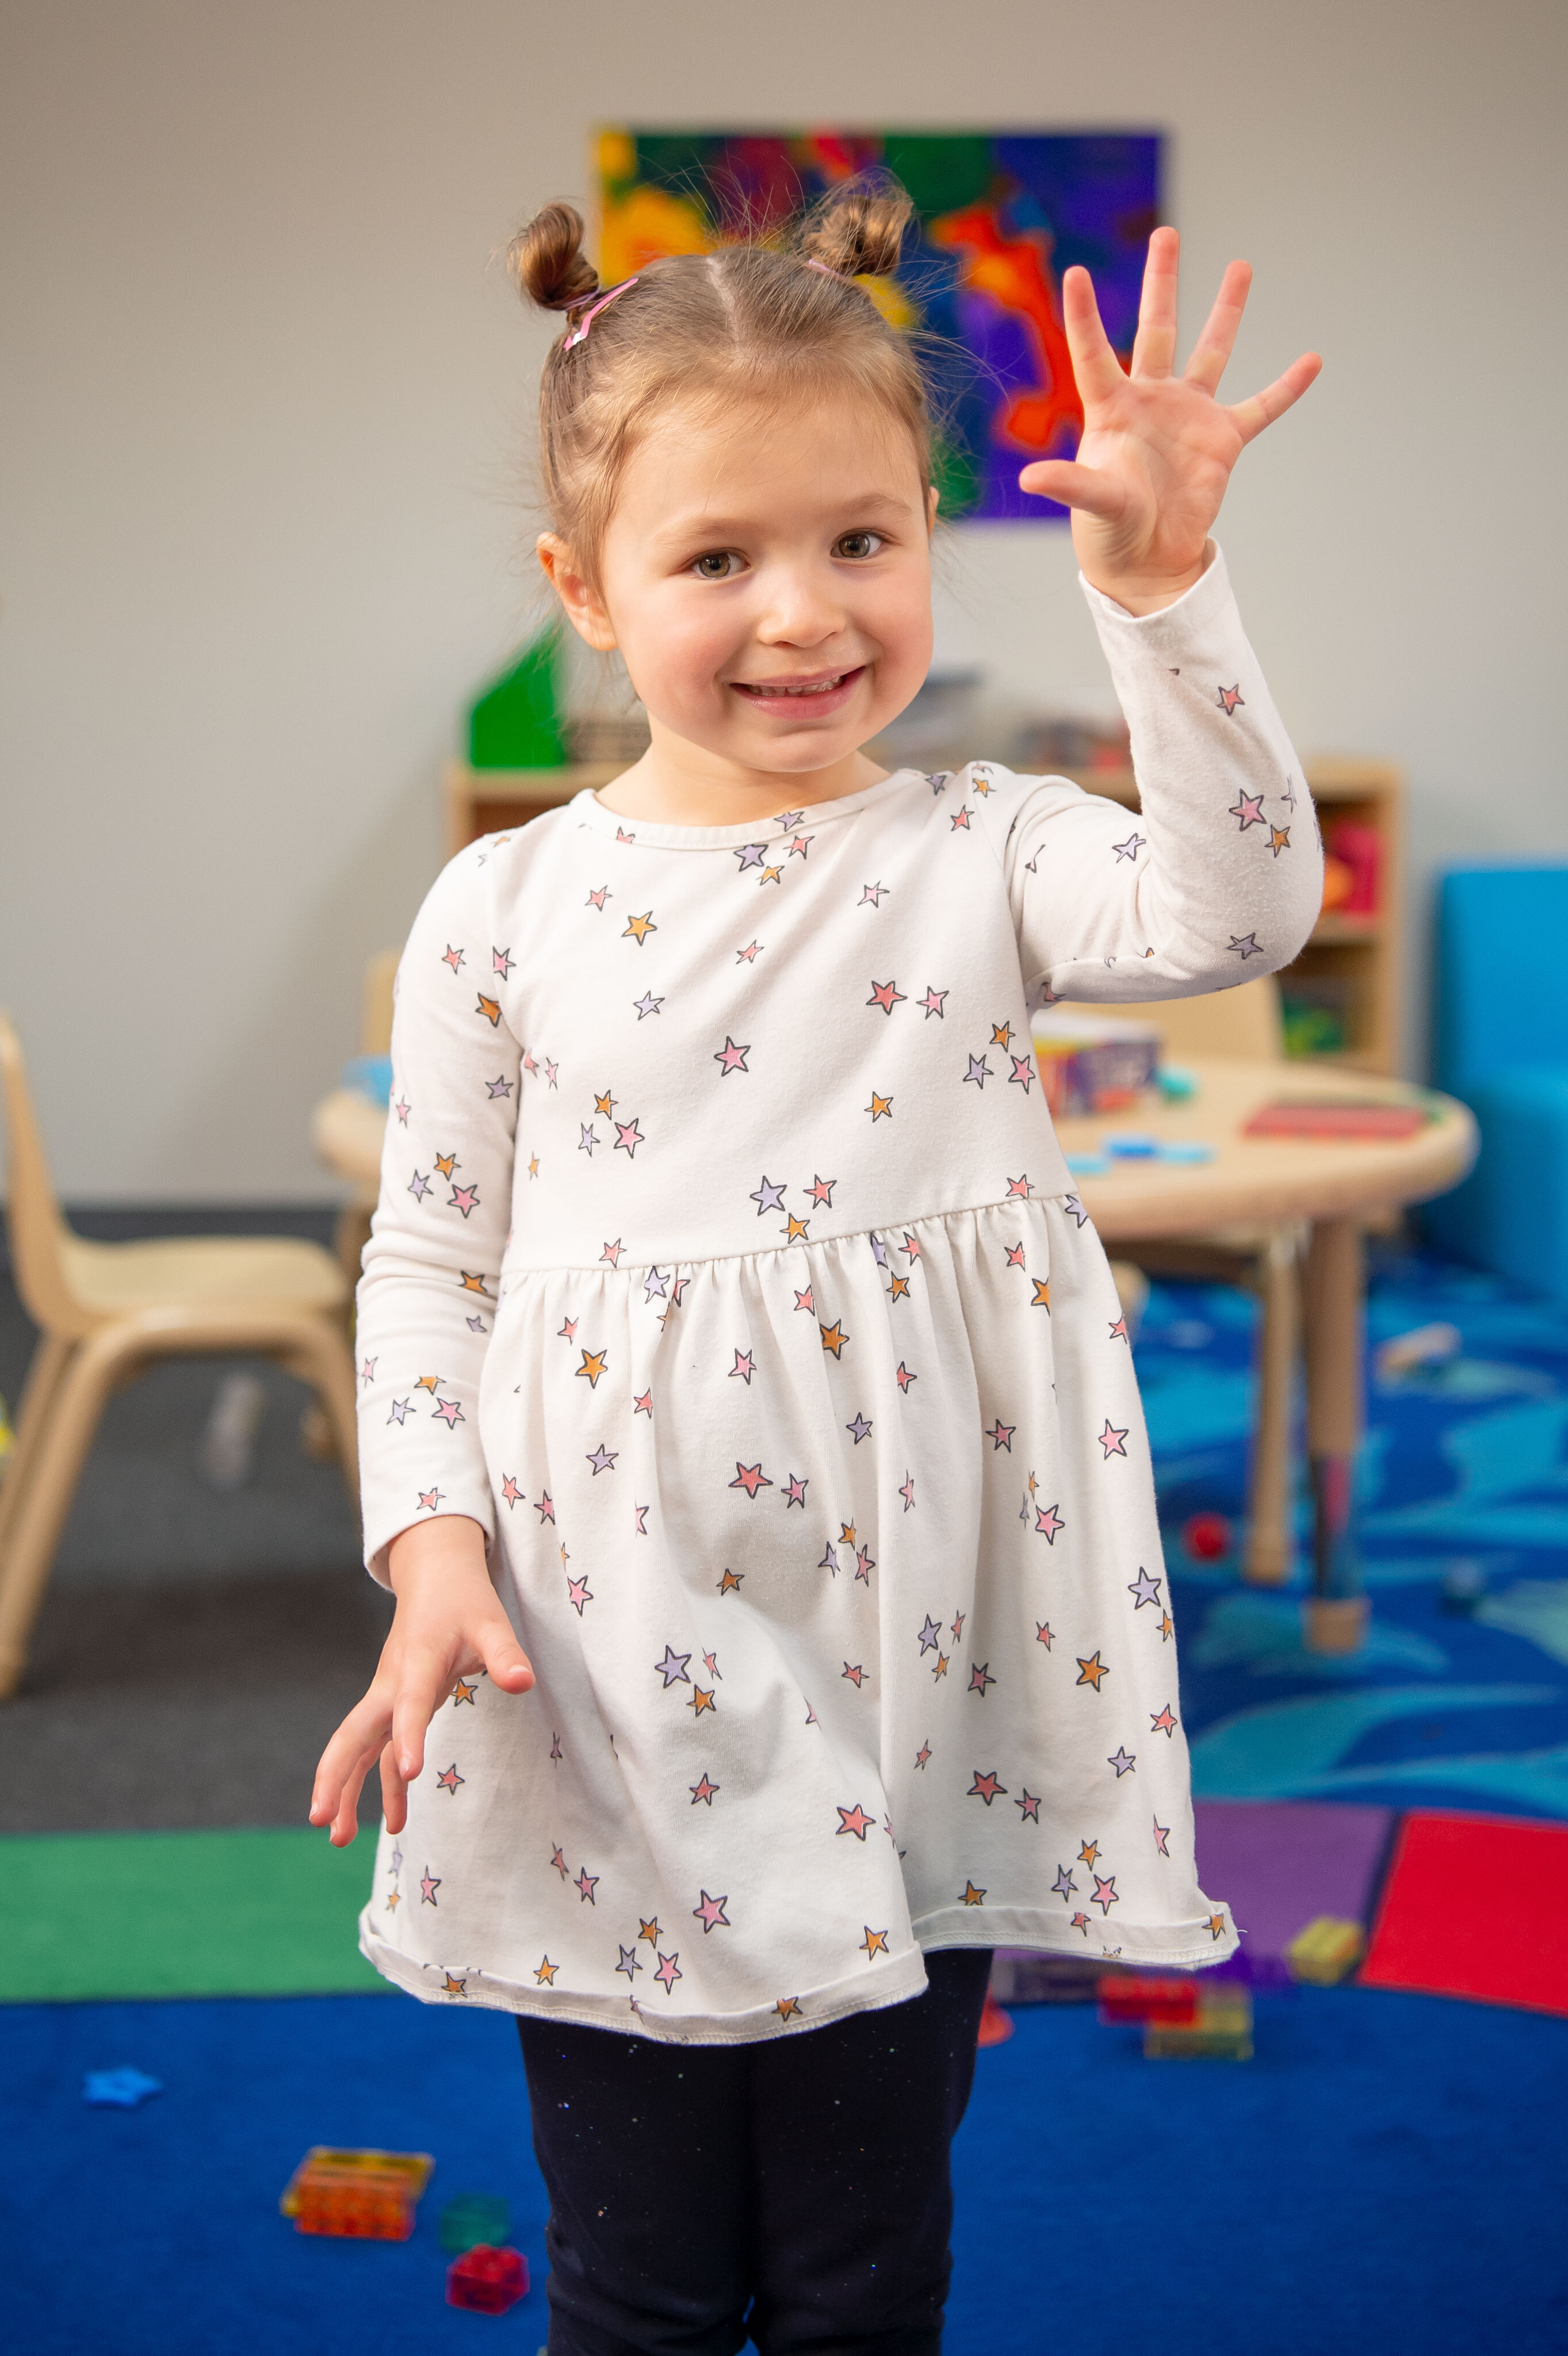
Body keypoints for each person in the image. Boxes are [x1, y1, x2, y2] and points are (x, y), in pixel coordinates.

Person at [311, 181, 1322, 2354]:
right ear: (584, 589)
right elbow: (428, 1263)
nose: (803, 613)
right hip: (594, 1658)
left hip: (915, 1645)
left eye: (862, 540)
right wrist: (427, 1543)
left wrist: (1168, 596)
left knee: (870, 2267)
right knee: (642, 2277)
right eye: (716, 558)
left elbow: (1238, 919)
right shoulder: (503, 912)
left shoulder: (987, 846)